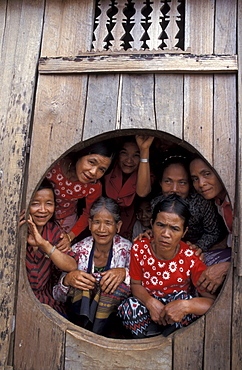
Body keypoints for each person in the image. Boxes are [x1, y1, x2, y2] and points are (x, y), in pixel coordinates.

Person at [118, 194, 215, 338]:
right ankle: (146, 340)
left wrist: (184, 306)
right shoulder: (140, 248)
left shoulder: (190, 257)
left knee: (184, 298)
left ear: (184, 232)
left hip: (177, 317)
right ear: (152, 223)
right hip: (148, 312)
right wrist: (150, 302)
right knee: (128, 307)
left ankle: (172, 340)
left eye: (175, 229)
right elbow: (136, 284)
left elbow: (212, 301)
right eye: (160, 225)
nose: (166, 234)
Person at [53, 196, 132, 335]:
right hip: (79, 323)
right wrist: (67, 280)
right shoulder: (78, 249)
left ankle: (102, 335)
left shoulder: (128, 250)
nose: (102, 229)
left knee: (112, 288)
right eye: (97, 222)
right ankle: (83, 332)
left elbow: (142, 284)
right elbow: (57, 295)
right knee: (81, 286)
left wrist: (124, 273)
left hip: (112, 322)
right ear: (89, 224)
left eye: (108, 223)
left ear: (118, 226)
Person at [20, 179, 78, 315]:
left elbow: (71, 265)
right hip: (16, 300)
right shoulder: (12, 233)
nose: (43, 210)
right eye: (35, 204)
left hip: (47, 303)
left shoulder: (53, 231)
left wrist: (44, 244)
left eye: (49, 204)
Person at [46, 140, 114, 251]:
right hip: (40, 213)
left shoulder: (94, 187)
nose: (93, 172)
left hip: (66, 220)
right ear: (80, 155)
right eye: (91, 162)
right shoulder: (55, 164)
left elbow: (89, 213)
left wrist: (70, 236)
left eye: (101, 169)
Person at [152, 154, 226, 253]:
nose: (174, 189)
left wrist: (199, 246)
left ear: (190, 185)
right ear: (160, 182)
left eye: (182, 182)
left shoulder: (201, 203)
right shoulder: (157, 203)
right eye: (168, 181)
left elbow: (213, 232)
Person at [189, 156, 232, 294]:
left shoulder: (237, 198)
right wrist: (211, 248)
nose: (201, 183)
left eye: (207, 174)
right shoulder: (219, 201)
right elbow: (234, 234)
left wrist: (226, 267)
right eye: (195, 178)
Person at [104, 135, 154, 240]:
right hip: (103, 225)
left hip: (130, 229)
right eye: (124, 153)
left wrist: (144, 150)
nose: (129, 160)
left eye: (136, 155)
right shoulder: (107, 169)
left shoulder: (146, 174)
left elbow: (143, 192)